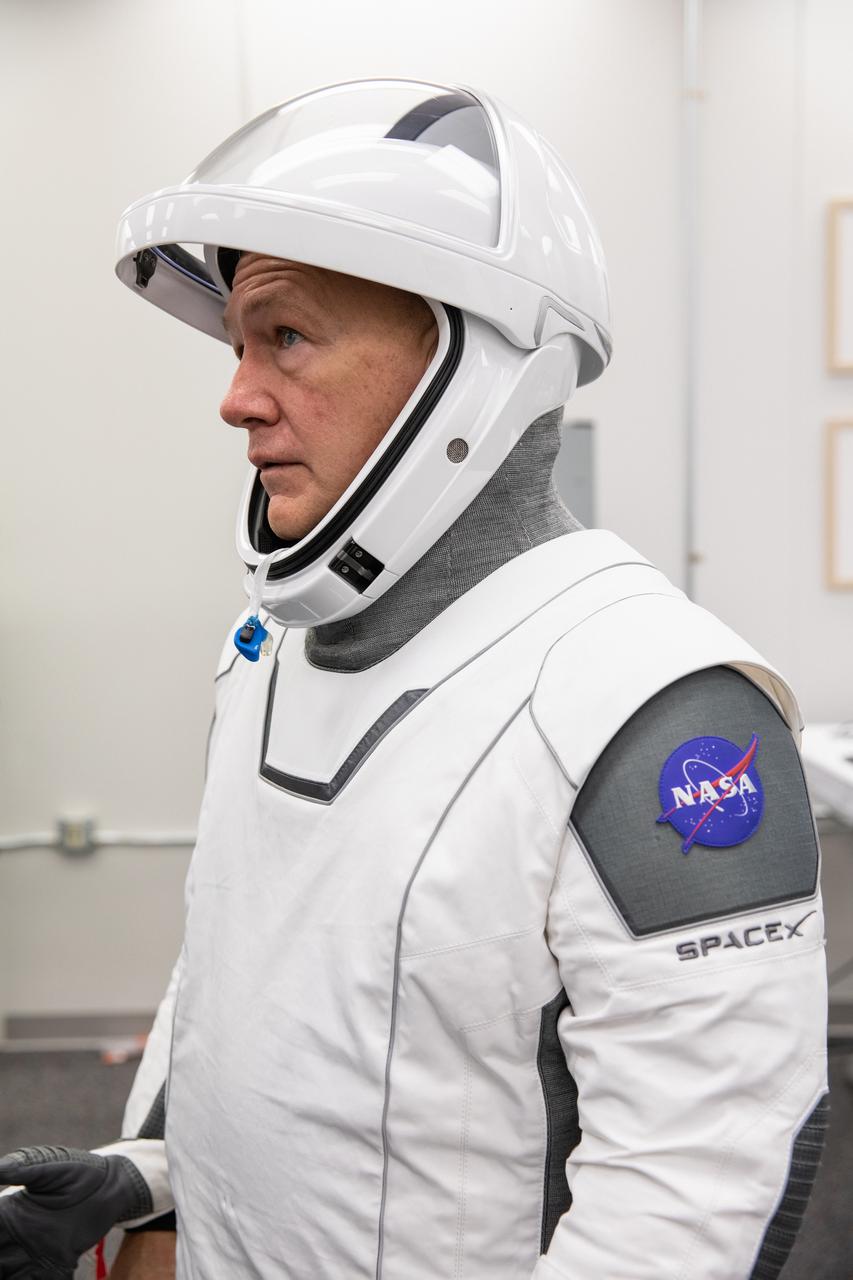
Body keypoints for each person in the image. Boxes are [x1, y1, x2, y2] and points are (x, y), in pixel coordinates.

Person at [0, 80, 827, 1280]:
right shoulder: (266, 651)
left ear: (474, 363)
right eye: (237, 344)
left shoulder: (654, 706)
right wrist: (155, 1177)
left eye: (283, 335)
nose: (235, 396)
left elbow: (701, 1187)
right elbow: (235, 979)